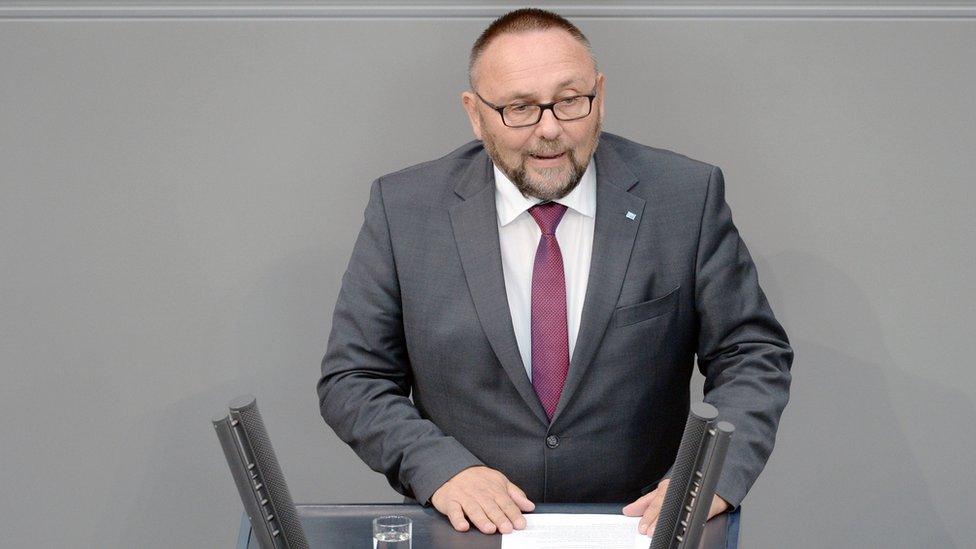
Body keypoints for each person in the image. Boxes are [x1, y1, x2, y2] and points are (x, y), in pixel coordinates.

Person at [318, 8, 792, 538]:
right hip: (470, 533)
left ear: (600, 96)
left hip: (636, 529)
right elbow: (354, 379)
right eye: (519, 108)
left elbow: (752, 353)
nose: (549, 130)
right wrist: (439, 467)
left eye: (569, 102)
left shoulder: (683, 196)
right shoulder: (404, 209)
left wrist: (712, 476)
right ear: (475, 115)